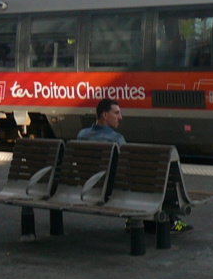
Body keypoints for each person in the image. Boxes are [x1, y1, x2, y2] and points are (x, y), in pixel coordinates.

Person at [77, 99, 193, 233]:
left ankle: (138, 219)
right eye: (117, 113)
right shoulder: (116, 139)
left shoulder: (82, 135)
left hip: (89, 188)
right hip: (112, 191)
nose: (120, 118)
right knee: (152, 179)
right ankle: (171, 220)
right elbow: (129, 166)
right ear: (105, 115)